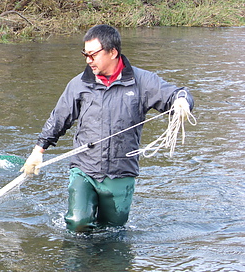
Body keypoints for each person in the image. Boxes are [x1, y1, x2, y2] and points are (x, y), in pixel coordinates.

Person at [21, 24, 194, 232]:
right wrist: (38, 151)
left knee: (112, 232)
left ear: (113, 52)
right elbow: (59, 118)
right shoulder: (79, 84)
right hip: (84, 168)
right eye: (85, 54)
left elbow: (177, 94)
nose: (88, 60)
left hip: (121, 172)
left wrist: (182, 102)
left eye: (93, 55)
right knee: (78, 223)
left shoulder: (142, 82)